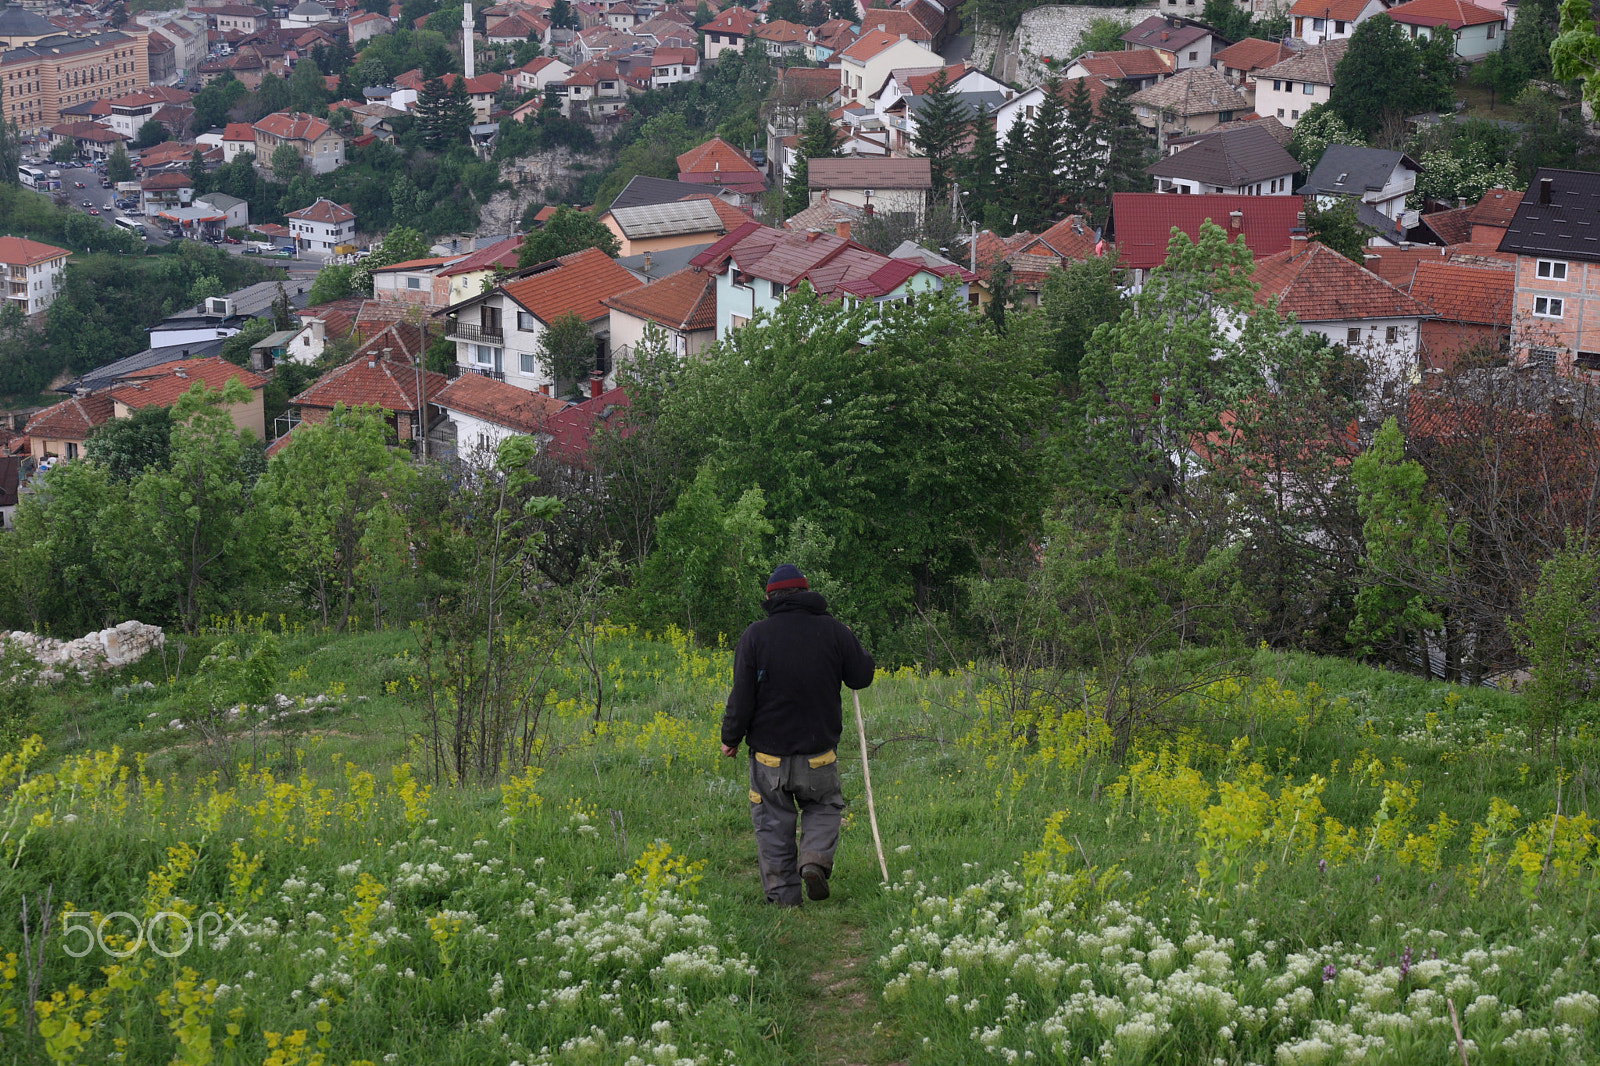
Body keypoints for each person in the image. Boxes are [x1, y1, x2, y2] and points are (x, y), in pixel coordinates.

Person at [721, 564, 874, 906]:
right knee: (823, 806)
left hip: (768, 757)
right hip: (818, 754)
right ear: (806, 593)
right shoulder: (834, 631)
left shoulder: (755, 636)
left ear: (769, 597)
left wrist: (730, 738)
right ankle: (814, 861)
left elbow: (742, 696)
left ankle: (783, 898)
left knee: (773, 823)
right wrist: (851, 640)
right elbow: (862, 676)